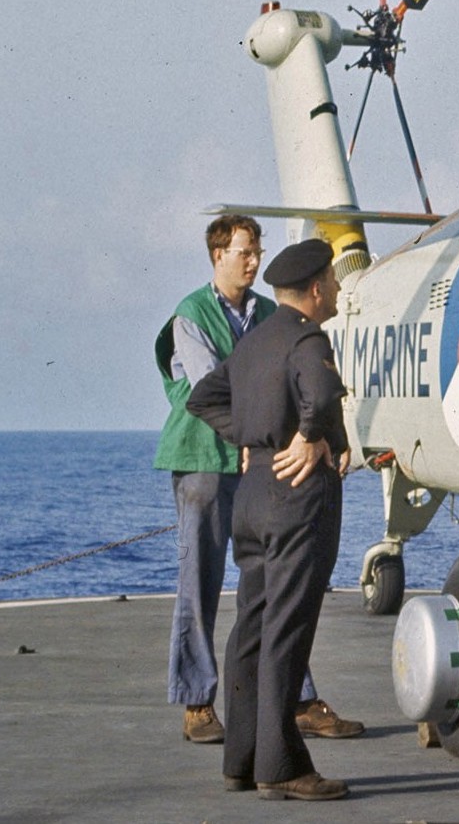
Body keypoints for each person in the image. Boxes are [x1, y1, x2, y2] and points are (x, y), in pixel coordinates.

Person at [154, 216, 359, 745]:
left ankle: (298, 697)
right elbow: (208, 391)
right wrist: (254, 437)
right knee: (199, 581)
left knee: (278, 587)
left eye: (257, 250)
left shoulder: (272, 313)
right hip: (203, 461)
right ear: (217, 255)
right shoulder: (190, 316)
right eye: (244, 251)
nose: (254, 260)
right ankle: (198, 701)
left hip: (260, 468)